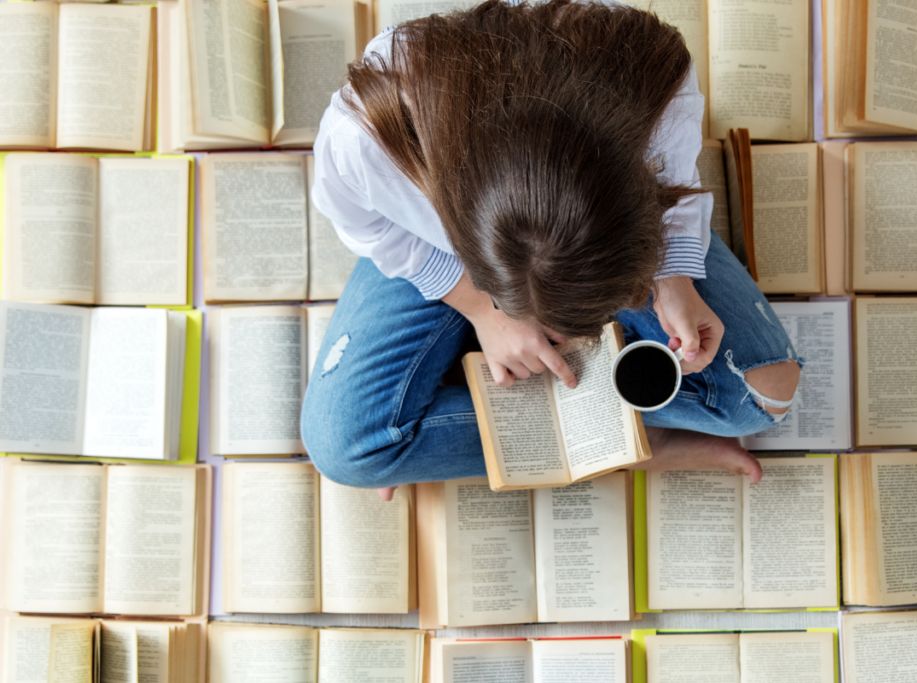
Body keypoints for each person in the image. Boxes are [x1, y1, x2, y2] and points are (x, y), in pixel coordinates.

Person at [302, 0, 801, 500]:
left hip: (589, 225)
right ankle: (630, 438)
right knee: (349, 448)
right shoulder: (365, 135)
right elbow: (364, 223)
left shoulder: (649, 76)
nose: (561, 336)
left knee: (761, 396)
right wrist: (481, 309)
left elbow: (673, 179)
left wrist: (673, 275)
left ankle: (615, 437)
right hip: (441, 260)